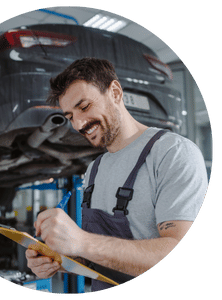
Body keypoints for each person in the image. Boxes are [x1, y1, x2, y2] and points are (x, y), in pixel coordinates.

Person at [25, 58, 208, 292]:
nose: (79, 124)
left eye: (84, 107)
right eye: (70, 116)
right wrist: (58, 261)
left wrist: (82, 241)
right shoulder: (94, 170)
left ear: (115, 92)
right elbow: (99, 256)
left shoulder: (171, 153)